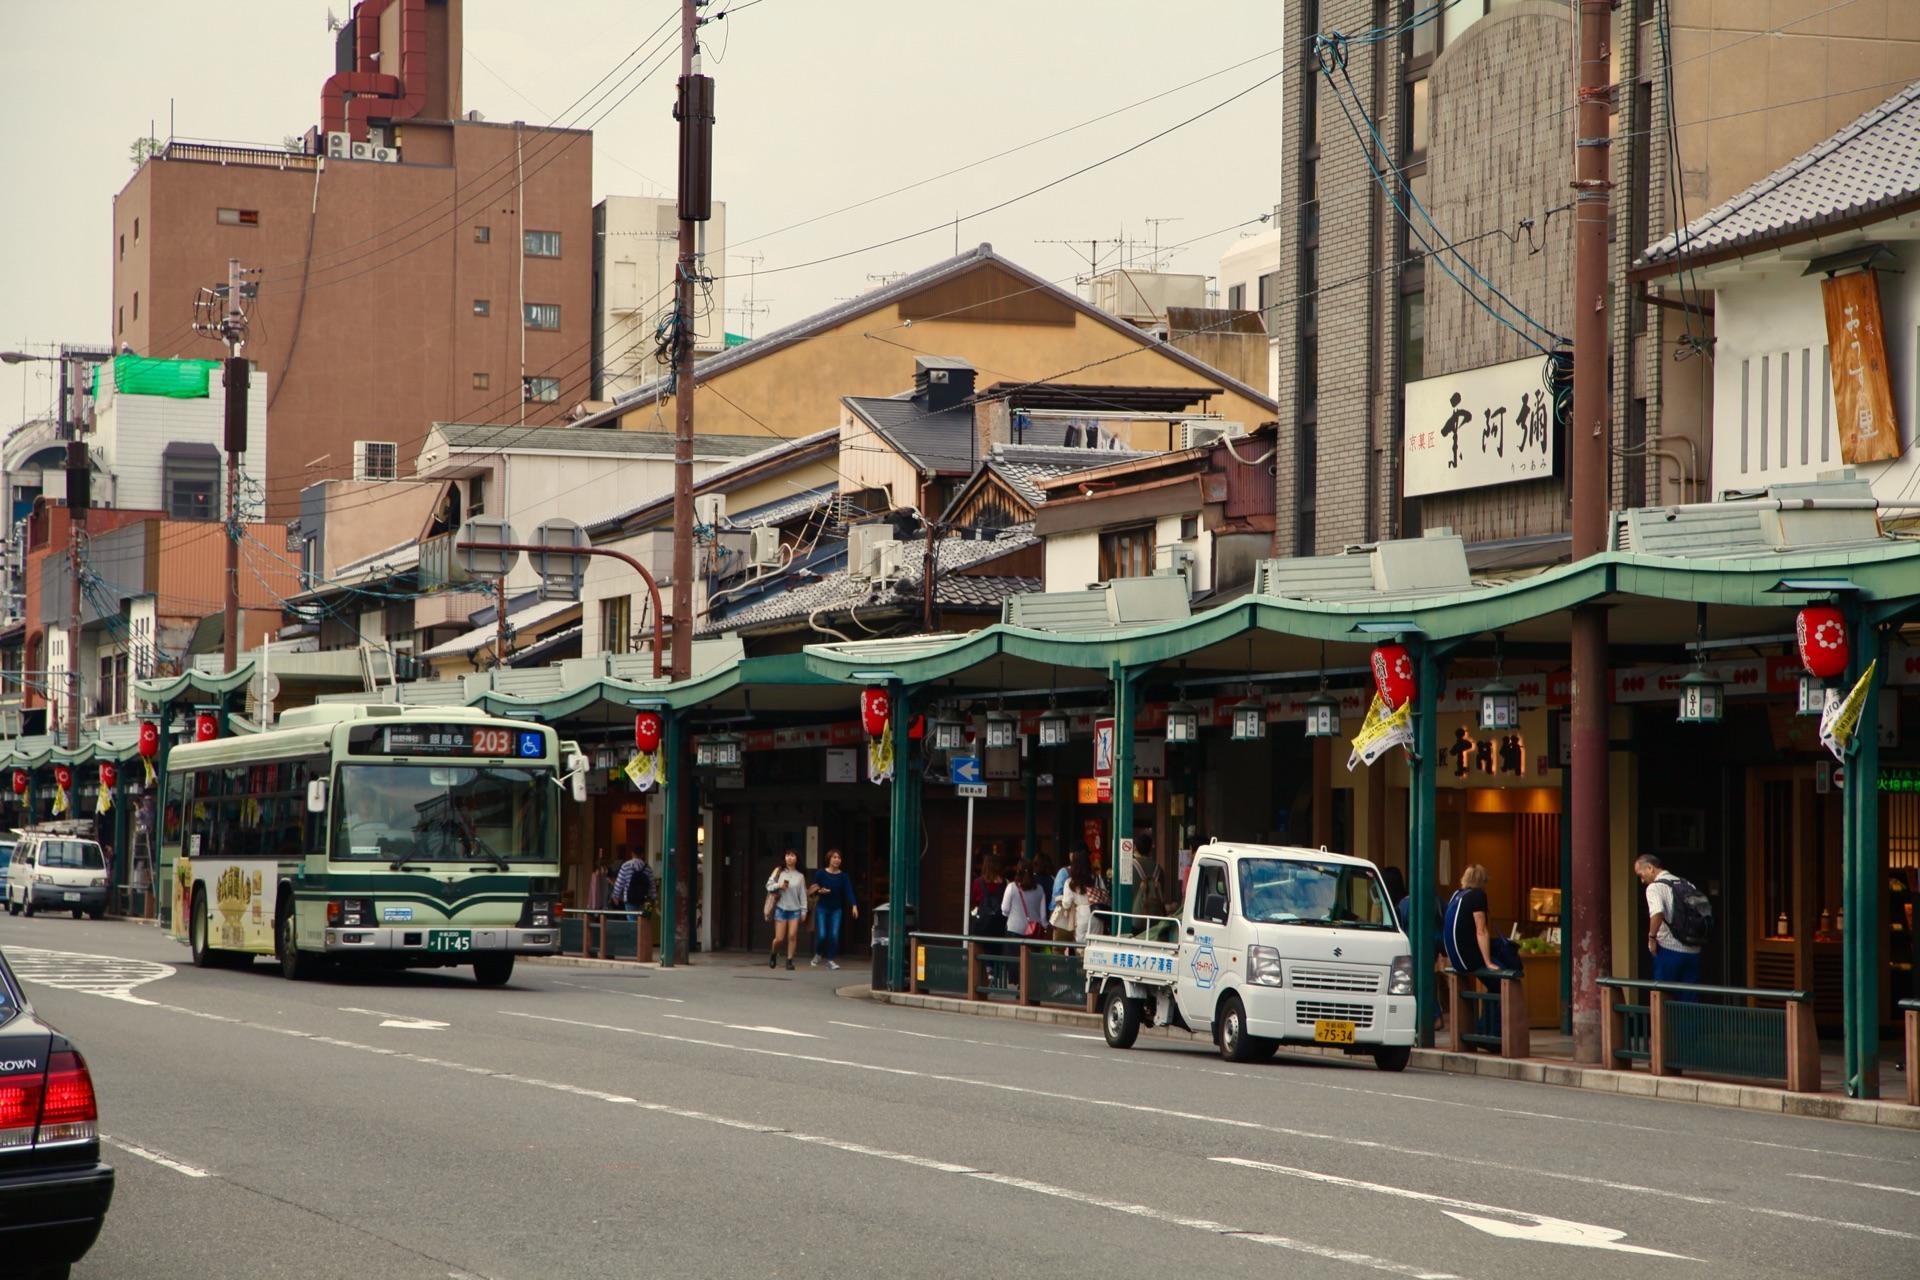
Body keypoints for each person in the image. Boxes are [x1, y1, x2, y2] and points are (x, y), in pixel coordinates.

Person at [1635, 854, 1702, 988]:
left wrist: (1652, 938)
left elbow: (1657, 912)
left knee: (1663, 999)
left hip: (1669, 950)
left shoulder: (1654, 888)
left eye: (1641, 875)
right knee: (1689, 1001)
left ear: (1650, 868)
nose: (1642, 880)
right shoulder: (1687, 884)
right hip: (1693, 951)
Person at [808, 849, 859, 970]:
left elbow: (849, 891)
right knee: (822, 935)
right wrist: (820, 891)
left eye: (839, 858)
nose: (837, 860)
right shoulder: (820, 873)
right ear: (829, 859)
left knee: (834, 935)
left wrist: (854, 905)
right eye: (834, 857)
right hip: (822, 907)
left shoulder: (843, 876)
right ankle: (818, 954)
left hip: (836, 909)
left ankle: (830, 960)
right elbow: (813, 888)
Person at [765, 849, 809, 970]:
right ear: (784, 857)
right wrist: (779, 885)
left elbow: (803, 895)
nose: (790, 857)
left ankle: (789, 960)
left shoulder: (800, 876)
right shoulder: (779, 871)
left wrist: (804, 910)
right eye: (787, 855)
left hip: (795, 910)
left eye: (792, 855)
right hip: (781, 908)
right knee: (779, 939)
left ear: (796, 858)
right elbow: (768, 886)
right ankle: (773, 954)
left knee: (792, 935)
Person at [1050, 851, 1096, 944]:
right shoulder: (1096, 878)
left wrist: (1061, 899)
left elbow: (1066, 904)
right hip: (1097, 915)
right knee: (1095, 945)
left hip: (1082, 915)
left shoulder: (1070, 882)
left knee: (1082, 946)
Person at [1001, 860, 1048, 940]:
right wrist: (1045, 927)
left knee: (1012, 953)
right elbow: (1043, 916)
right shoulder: (1040, 889)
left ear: (1018, 871)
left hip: (1014, 929)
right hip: (1034, 932)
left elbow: (1005, 909)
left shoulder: (1011, 887)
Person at [1130, 833, 1167, 925]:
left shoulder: (1129, 867)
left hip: (1133, 918)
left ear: (1135, 847)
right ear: (1151, 849)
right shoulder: (1158, 869)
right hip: (1154, 919)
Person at [613, 848, 654, 922]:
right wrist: (653, 897)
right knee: (644, 921)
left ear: (632, 854)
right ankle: (641, 933)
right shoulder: (648, 868)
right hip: (644, 899)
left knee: (632, 921)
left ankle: (633, 933)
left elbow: (619, 882)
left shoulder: (625, 866)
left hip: (629, 898)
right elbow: (652, 885)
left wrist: (616, 895)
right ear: (642, 855)